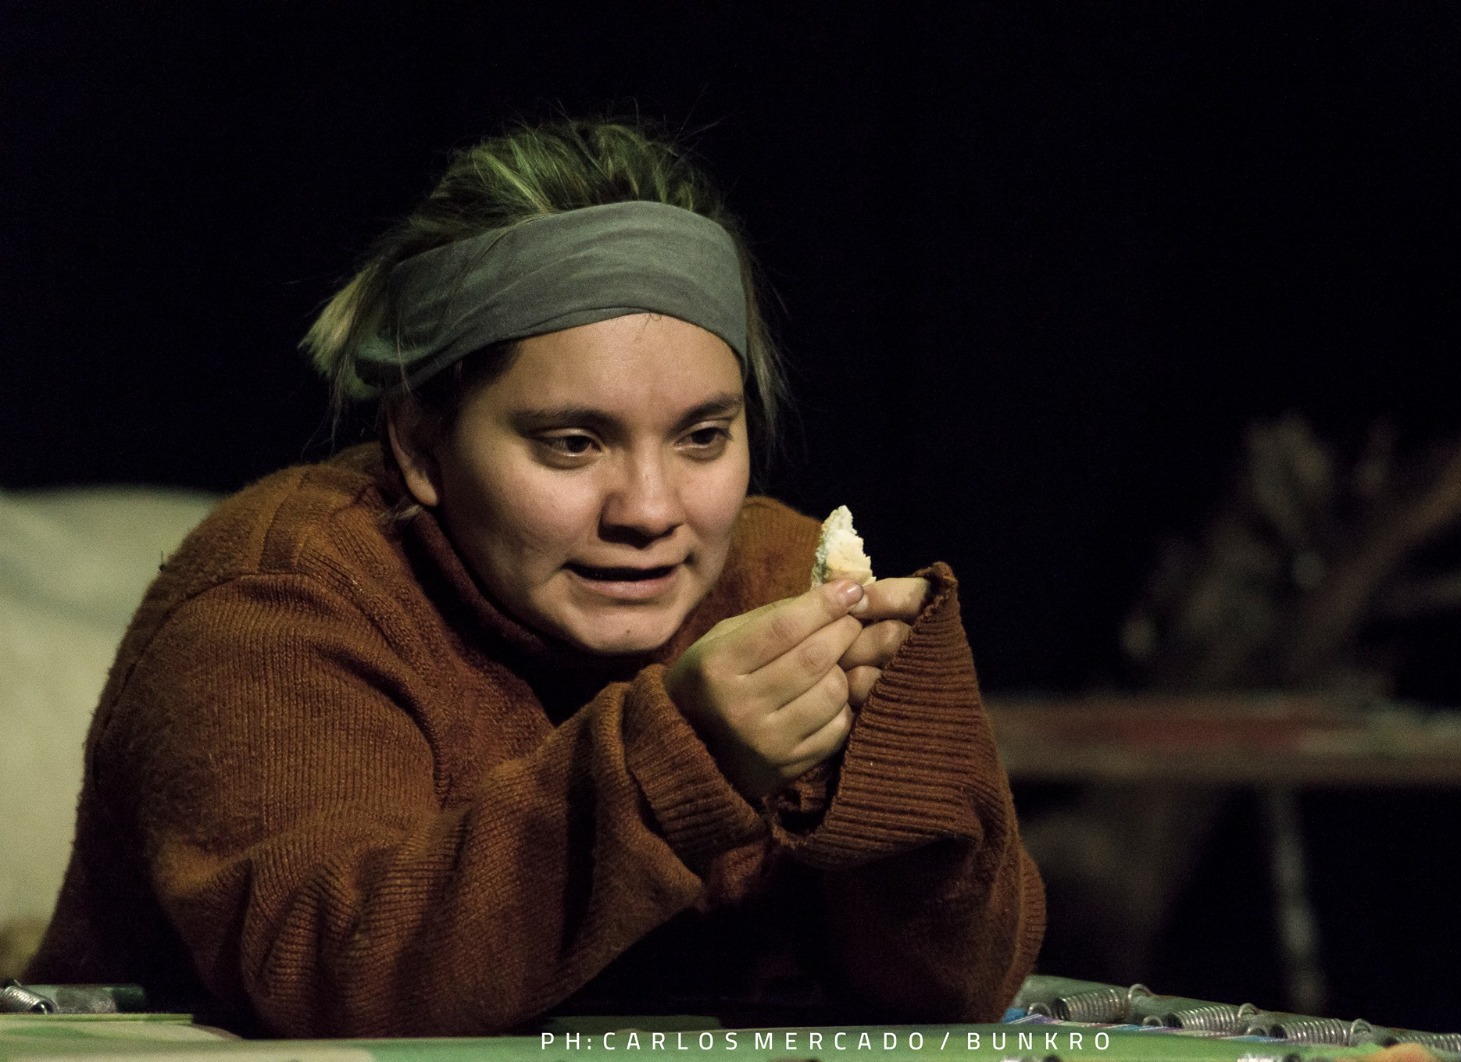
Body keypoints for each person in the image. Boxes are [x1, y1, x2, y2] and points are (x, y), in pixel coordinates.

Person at [26, 118, 1045, 1038]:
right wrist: (684, 760)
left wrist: (896, 764)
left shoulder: (776, 584)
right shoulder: (284, 601)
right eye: (572, 443)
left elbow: (959, 994)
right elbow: (322, 975)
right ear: (421, 445)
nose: (649, 510)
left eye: (702, 437)